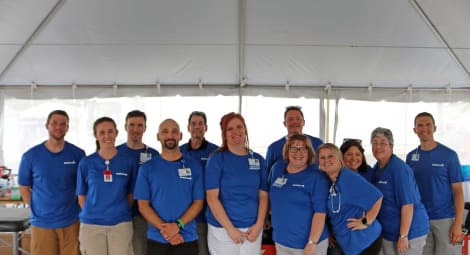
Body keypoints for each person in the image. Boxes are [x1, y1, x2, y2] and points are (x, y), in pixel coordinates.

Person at [18, 110, 86, 255]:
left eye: (63, 124)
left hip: (71, 222)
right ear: (47, 126)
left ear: (67, 127)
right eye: (54, 123)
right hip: (42, 224)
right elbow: (23, 188)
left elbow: (83, 187)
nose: (58, 127)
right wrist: (38, 208)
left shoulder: (78, 154)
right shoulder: (31, 156)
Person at [134, 118, 204, 255]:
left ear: (181, 136)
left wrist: (178, 226)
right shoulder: (147, 168)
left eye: (174, 131)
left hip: (187, 238)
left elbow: (198, 202)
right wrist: (167, 231)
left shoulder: (194, 165)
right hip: (157, 239)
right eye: (165, 132)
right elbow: (143, 205)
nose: (170, 135)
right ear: (158, 136)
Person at [205, 112, 269, 255]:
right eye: (230, 128)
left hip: (252, 228)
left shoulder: (258, 159)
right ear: (224, 134)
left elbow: (263, 196)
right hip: (223, 229)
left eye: (239, 127)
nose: (236, 131)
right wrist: (230, 229)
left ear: (245, 130)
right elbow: (212, 198)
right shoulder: (216, 159)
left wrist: (259, 225)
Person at [406, 112, 465, 255]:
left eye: (428, 125)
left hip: (444, 219)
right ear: (414, 130)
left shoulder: (449, 155)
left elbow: (458, 191)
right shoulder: (410, 157)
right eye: (420, 125)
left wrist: (458, 223)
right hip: (420, 220)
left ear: (435, 128)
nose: (424, 128)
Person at [76, 117, 137, 255]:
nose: (107, 136)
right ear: (96, 135)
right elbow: (82, 196)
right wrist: (95, 213)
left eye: (110, 131)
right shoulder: (86, 163)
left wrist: (117, 212)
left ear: (116, 133)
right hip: (92, 225)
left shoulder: (128, 162)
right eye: (102, 132)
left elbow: (131, 194)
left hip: (120, 224)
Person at [370, 127, 429, 255]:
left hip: (410, 233)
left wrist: (403, 235)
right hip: (389, 233)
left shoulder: (400, 170)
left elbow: (407, 205)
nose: (378, 146)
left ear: (391, 146)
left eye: (382, 143)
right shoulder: (377, 169)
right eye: (374, 143)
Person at [318, 143, 383, 255]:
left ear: (339, 158)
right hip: (348, 244)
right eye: (322, 157)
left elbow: (377, 198)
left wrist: (366, 222)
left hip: (365, 241)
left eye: (330, 156)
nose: (326, 160)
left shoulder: (348, 177)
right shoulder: (329, 181)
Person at [269, 134, 329, 255]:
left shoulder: (317, 177)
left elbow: (320, 213)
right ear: (287, 151)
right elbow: (270, 196)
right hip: (281, 241)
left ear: (309, 152)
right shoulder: (277, 168)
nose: (298, 152)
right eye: (294, 148)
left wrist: (312, 243)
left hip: (307, 245)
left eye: (303, 148)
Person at [117, 110, 159, 255]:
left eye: (139, 125)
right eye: (132, 125)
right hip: (119, 215)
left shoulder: (153, 155)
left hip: (145, 215)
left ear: (145, 128)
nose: (135, 129)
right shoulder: (114, 153)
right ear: (125, 127)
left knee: (141, 250)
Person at [180, 111, 219, 255]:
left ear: (206, 127)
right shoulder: (179, 151)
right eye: (193, 124)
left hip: (206, 216)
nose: (197, 127)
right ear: (188, 127)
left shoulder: (215, 152)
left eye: (200, 124)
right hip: (182, 215)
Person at [265, 106, 324, 172]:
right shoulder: (273, 148)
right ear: (284, 123)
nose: (295, 122)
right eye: (290, 119)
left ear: (303, 122)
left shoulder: (318, 143)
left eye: (298, 119)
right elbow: (267, 174)